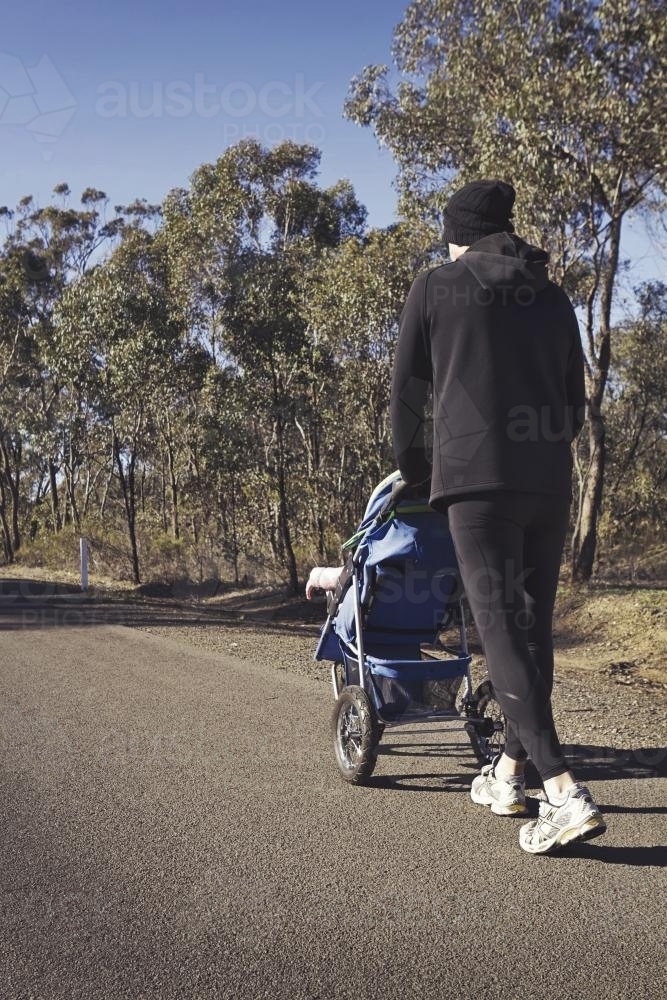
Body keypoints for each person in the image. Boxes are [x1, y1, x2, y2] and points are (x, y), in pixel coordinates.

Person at [390, 179, 606, 854]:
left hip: (474, 481)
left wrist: (419, 474)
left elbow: (405, 395)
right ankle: (509, 772)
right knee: (530, 632)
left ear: (456, 235)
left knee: (500, 633)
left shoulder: (436, 285)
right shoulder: (551, 293)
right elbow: (574, 403)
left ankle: (563, 791)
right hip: (546, 483)